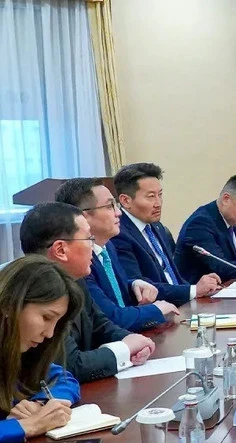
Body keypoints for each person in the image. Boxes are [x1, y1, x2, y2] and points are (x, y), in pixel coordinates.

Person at [20, 203, 156, 382]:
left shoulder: (76, 279)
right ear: (60, 250)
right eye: (89, 239)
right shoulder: (36, 292)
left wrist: (132, 340)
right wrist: (125, 349)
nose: (93, 247)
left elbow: (99, 324)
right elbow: (70, 365)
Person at [54, 178, 179, 332]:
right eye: (109, 206)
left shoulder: (108, 246)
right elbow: (110, 318)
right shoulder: (79, 262)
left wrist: (133, 284)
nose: (118, 213)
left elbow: (112, 290)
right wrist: (156, 309)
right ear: (83, 216)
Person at [0, 256, 84, 443]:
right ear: (9, 304)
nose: (49, 333)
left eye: (57, 322)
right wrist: (28, 425)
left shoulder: (18, 349)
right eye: (46, 317)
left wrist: (40, 405)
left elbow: (64, 379)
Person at [111, 163, 222, 302]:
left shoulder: (156, 226)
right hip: (157, 309)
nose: (158, 203)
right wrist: (193, 290)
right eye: (151, 196)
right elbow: (141, 288)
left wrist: (199, 288)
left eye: (160, 195)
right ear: (126, 200)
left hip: (180, 304)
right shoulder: (119, 235)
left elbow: (172, 277)